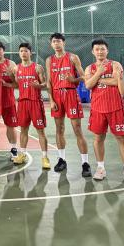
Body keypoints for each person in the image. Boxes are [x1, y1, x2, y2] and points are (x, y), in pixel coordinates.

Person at [83, 39, 124, 183]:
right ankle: (100, 168)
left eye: (102, 49)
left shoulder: (115, 64)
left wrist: (97, 79)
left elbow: (117, 81)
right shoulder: (89, 68)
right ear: (93, 52)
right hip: (98, 109)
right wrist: (99, 73)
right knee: (98, 138)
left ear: (107, 51)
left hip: (115, 107)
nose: (100, 52)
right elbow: (88, 85)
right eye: (97, 49)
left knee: (122, 139)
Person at [46, 33, 91, 177]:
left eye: (59, 41)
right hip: (56, 95)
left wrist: (74, 80)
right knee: (59, 128)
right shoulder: (49, 60)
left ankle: (85, 163)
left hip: (71, 93)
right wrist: (51, 100)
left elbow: (84, 77)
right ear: (51, 44)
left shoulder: (72, 57)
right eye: (54, 41)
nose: (56, 43)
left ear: (63, 43)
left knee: (77, 129)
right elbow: (49, 82)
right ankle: (61, 159)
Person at [12, 43, 50, 170]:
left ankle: (45, 157)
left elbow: (45, 84)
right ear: (19, 53)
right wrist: (6, 83)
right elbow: (16, 84)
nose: (23, 53)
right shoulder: (16, 69)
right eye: (21, 51)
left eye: (26, 51)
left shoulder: (38, 68)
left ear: (30, 53)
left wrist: (39, 86)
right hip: (22, 102)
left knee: (40, 131)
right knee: (23, 130)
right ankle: (22, 154)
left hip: (35, 102)